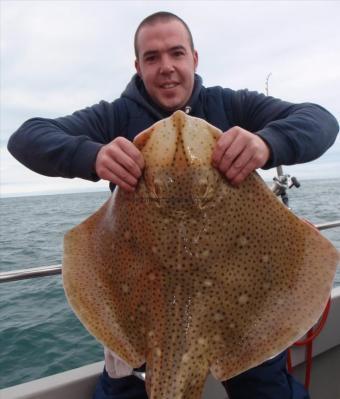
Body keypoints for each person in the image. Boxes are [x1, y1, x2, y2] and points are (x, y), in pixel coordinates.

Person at [7, 11, 338, 399]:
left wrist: (267, 142)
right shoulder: (114, 116)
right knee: (124, 380)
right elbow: (26, 137)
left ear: (194, 59)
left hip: (238, 302)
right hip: (146, 301)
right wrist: (91, 155)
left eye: (176, 53)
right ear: (138, 66)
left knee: (266, 386)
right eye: (152, 57)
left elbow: (321, 120)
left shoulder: (232, 105)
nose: (166, 67)